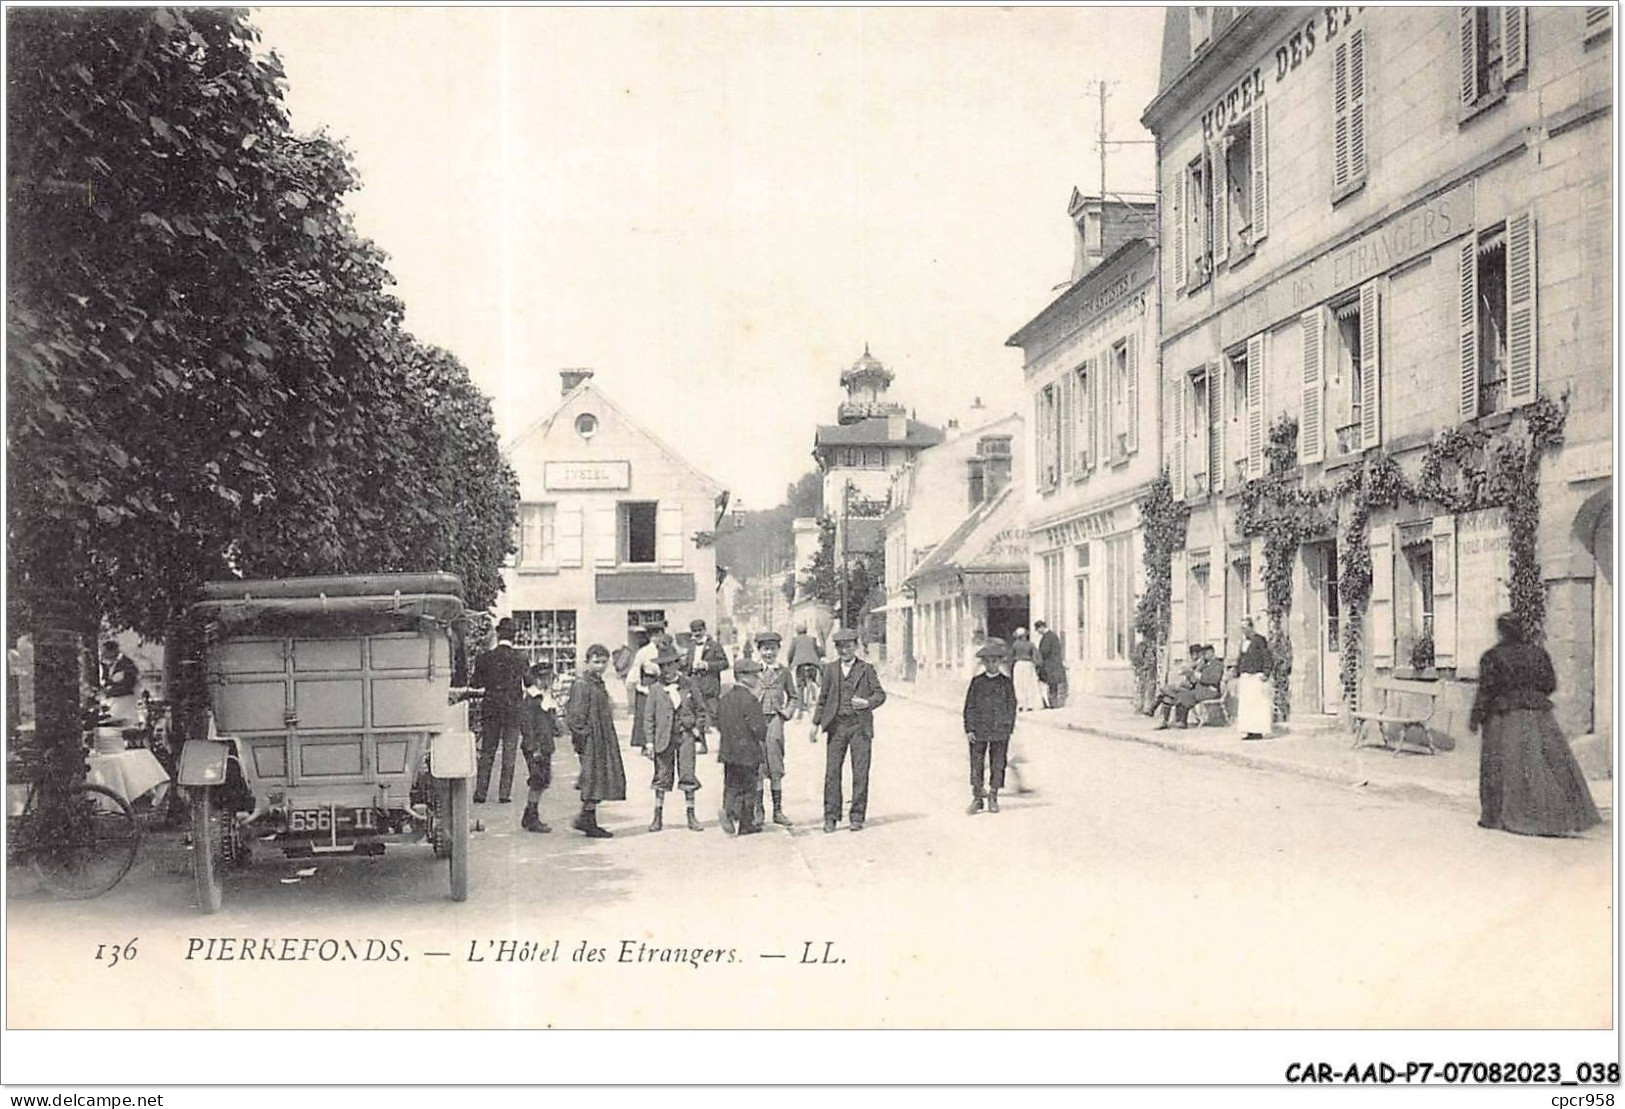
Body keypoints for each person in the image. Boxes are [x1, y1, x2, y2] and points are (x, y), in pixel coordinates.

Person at [1468, 613, 1600, 837]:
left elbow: (1487, 689)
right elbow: (1549, 684)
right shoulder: (1539, 653)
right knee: (1549, 763)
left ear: (1501, 632)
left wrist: (1476, 717)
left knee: (1504, 766)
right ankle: (1563, 815)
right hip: (1539, 715)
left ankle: (1502, 816)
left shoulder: (1492, 656)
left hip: (1505, 716)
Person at [812, 627, 887, 833]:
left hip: (859, 727)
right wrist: (815, 724)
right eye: (840, 647)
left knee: (860, 772)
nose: (844, 650)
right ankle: (831, 816)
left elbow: (880, 694)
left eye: (848, 646)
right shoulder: (830, 670)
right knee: (832, 772)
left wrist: (867, 702)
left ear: (856, 647)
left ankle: (857, 816)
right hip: (836, 726)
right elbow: (823, 699)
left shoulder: (866, 669)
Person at [641, 644, 705, 832]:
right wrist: (650, 742)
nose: (667, 670)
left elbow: (701, 710)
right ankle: (657, 816)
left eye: (670, 665)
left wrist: (696, 729)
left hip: (685, 736)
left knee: (688, 774)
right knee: (662, 775)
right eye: (663, 666)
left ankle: (691, 815)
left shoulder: (689, 684)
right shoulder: (655, 689)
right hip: (663, 737)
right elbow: (649, 717)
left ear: (678, 664)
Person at [565, 643, 627, 837]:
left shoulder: (597, 682)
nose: (600, 666)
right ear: (587, 662)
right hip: (591, 740)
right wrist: (583, 739)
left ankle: (586, 818)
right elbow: (575, 716)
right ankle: (588, 822)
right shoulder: (582, 684)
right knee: (593, 779)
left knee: (600, 779)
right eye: (596, 662)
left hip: (602, 738)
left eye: (603, 662)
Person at [472, 618, 530, 804]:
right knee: (509, 751)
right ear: (515, 635)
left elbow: (475, 683)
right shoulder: (521, 658)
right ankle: (504, 794)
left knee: (488, 751)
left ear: (498, 634)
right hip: (513, 710)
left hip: (491, 709)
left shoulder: (484, 658)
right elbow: (529, 683)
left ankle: (480, 793)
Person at [963, 640, 1017, 815]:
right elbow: (969, 706)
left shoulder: (1006, 683)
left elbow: (1012, 705)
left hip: (999, 730)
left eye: (995, 661)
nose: (992, 664)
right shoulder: (977, 682)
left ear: (999, 662)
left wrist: (1008, 726)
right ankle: (977, 798)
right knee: (976, 763)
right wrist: (969, 728)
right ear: (984, 663)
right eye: (988, 661)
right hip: (979, 730)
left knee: (998, 763)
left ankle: (993, 795)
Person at [717, 657, 770, 835]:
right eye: (754, 674)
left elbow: (719, 723)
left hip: (729, 750)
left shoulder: (725, 698)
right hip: (748, 750)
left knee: (731, 783)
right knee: (749, 786)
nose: (757, 678)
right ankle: (746, 823)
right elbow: (759, 728)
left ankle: (728, 811)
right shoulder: (751, 700)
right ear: (742, 676)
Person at [518, 664, 558, 833]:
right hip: (536, 747)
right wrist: (534, 749)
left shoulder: (545, 698)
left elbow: (548, 721)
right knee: (538, 780)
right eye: (542, 678)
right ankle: (531, 816)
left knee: (542, 780)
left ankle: (529, 814)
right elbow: (527, 727)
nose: (546, 682)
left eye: (549, 678)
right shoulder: (532, 700)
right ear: (534, 679)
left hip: (545, 746)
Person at [685, 619, 729, 749]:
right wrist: (689, 668)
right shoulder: (691, 646)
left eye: (699, 630)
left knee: (716, 714)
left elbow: (724, 664)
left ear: (704, 630)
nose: (697, 633)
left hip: (710, 685)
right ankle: (703, 745)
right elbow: (687, 663)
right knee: (699, 715)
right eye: (694, 631)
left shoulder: (715, 645)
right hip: (694, 684)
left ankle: (726, 743)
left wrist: (707, 665)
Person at [626, 621, 664, 754]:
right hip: (647, 682)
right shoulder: (644, 651)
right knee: (645, 713)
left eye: (659, 635)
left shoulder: (665, 649)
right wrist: (639, 686)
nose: (657, 638)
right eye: (654, 636)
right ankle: (644, 743)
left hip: (661, 681)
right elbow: (636, 668)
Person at [1234, 619, 1273, 740]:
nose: (1244, 631)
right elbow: (1241, 659)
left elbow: (1266, 656)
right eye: (1242, 628)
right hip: (1246, 676)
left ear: (1251, 627)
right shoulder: (1243, 642)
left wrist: (1266, 672)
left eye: (1245, 628)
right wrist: (1237, 671)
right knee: (1247, 705)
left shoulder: (1259, 640)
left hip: (1256, 675)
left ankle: (1258, 731)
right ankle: (1249, 730)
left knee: (1257, 704)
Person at [785, 623, 823, 718]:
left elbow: (790, 653)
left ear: (797, 632)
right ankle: (817, 699)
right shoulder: (812, 639)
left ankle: (800, 707)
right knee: (816, 682)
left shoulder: (795, 640)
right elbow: (818, 651)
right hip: (813, 664)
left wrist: (789, 663)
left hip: (800, 665)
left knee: (800, 686)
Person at [99, 640, 140, 725]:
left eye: (104, 652)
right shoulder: (109, 664)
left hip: (124, 701)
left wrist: (109, 691)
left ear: (113, 651)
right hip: (115, 701)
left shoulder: (127, 665)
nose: (102, 655)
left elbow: (128, 685)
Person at [1035, 620, 1069, 709]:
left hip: (1050, 664)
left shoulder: (1048, 637)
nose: (1038, 632)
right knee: (1053, 684)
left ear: (1041, 627)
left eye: (1038, 629)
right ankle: (1053, 703)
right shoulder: (1052, 636)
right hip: (1054, 663)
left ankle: (1053, 703)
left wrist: (1038, 656)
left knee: (1052, 684)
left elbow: (1045, 651)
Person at [1009, 627, 1044, 711]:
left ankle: (1021, 704)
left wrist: (1010, 666)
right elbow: (1036, 656)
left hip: (1019, 665)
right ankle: (1030, 704)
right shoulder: (1030, 644)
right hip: (1028, 665)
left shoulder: (1015, 645)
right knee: (1030, 684)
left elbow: (1011, 656)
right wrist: (1038, 664)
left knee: (1019, 685)